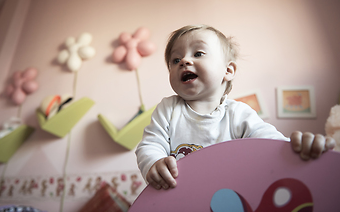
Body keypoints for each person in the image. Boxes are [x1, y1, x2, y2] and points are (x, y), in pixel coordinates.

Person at [135, 24, 335, 191]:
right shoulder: (168, 108)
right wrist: (154, 162)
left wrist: (300, 147)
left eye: (198, 53)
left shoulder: (239, 114)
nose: (185, 61)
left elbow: (272, 147)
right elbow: (151, 144)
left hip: (233, 194)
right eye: (175, 60)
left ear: (228, 70)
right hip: (181, 195)